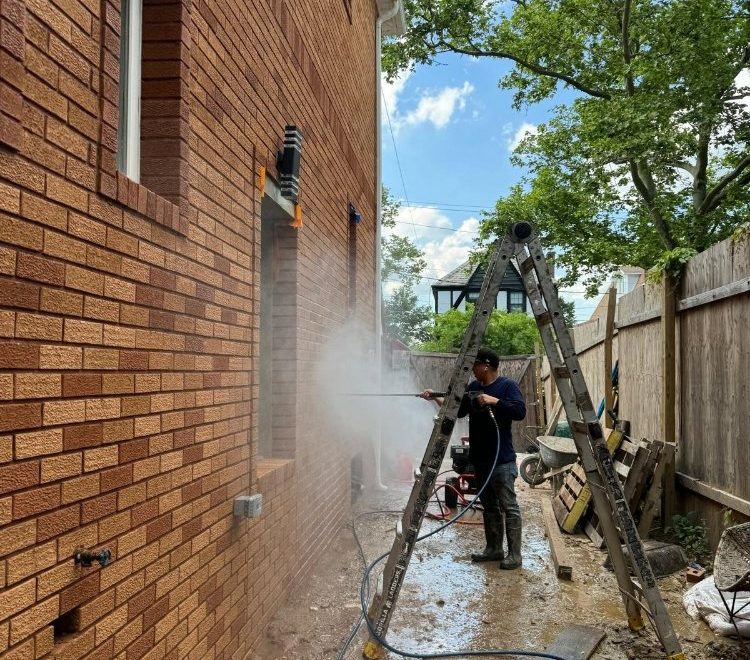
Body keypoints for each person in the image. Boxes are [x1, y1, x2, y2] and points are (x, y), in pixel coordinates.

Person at [421, 347, 526, 569]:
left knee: (509, 506)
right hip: (481, 460)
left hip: (502, 460)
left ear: (486, 365)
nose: (473, 371)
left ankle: (515, 555)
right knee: (489, 506)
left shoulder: (507, 386)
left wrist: (493, 401)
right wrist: (434, 399)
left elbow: (519, 412)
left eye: (475, 366)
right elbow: (457, 412)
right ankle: (494, 549)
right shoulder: (473, 388)